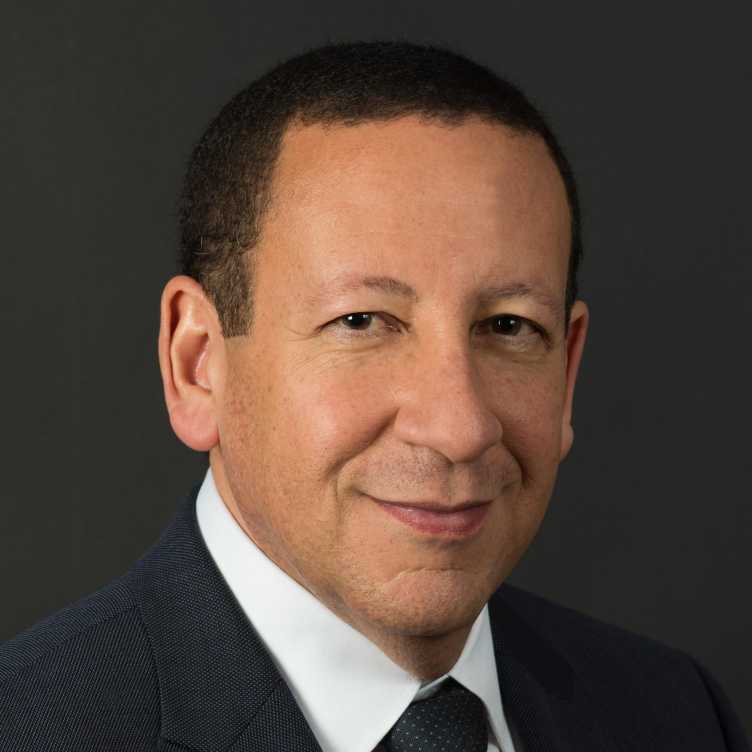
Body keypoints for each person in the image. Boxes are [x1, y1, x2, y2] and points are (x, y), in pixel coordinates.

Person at [0, 41, 748, 752]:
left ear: (568, 373)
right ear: (198, 364)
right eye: (361, 321)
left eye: (509, 326)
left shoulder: (674, 713)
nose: (458, 425)